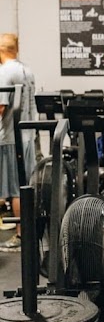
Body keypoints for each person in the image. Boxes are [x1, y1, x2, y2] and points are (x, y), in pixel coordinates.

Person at [0, 33, 38, 253]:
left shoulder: (5, 72)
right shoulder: (26, 70)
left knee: (15, 188)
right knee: (24, 185)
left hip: (11, 138)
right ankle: (28, 233)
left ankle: (22, 236)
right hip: (27, 135)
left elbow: (1, 107)